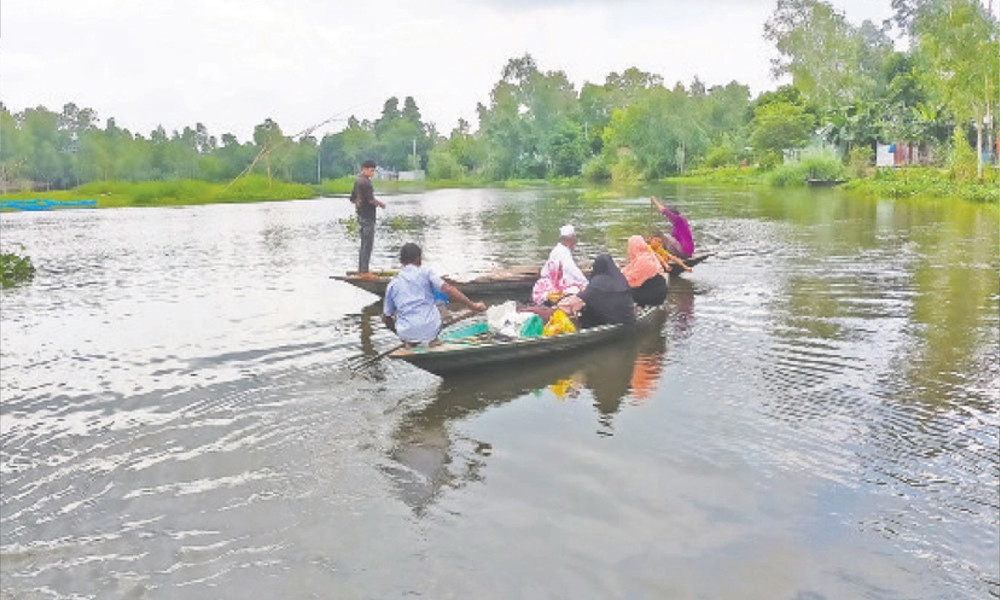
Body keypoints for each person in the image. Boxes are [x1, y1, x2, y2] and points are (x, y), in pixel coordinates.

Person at [382, 243, 486, 346]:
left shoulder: (392, 284)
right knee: (439, 302)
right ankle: (433, 340)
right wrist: (473, 305)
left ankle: (410, 341)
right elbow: (449, 290)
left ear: (401, 261)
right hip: (430, 328)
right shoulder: (426, 272)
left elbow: (386, 318)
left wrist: (401, 335)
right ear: (419, 259)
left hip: (406, 333)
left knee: (399, 314)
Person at [558, 254, 636, 329]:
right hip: (628, 317)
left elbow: (581, 297)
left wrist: (559, 305)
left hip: (611, 320)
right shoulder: (620, 278)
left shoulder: (598, 282)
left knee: (585, 309)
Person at [531, 224, 589, 304]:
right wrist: (585, 283)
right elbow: (572, 270)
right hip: (555, 286)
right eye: (574, 240)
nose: (575, 242)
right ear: (569, 240)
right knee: (577, 289)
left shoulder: (557, 250)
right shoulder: (563, 252)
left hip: (551, 283)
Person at [351, 159, 386, 278]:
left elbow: (352, 199)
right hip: (368, 217)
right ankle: (364, 271)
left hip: (361, 216)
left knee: (364, 244)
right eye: (371, 171)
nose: (373, 173)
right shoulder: (366, 183)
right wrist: (381, 204)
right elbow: (371, 200)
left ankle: (362, 270)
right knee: (368, 244)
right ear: (364, 169)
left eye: (373, 171)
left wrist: (359, 204)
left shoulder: (357, 181)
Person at [621, 235, 667, 307]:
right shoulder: (647, 255)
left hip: (655, 296)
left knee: (621, 292)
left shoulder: (643, 260)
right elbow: (628, 269)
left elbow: (634, 280)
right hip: (652, 290)